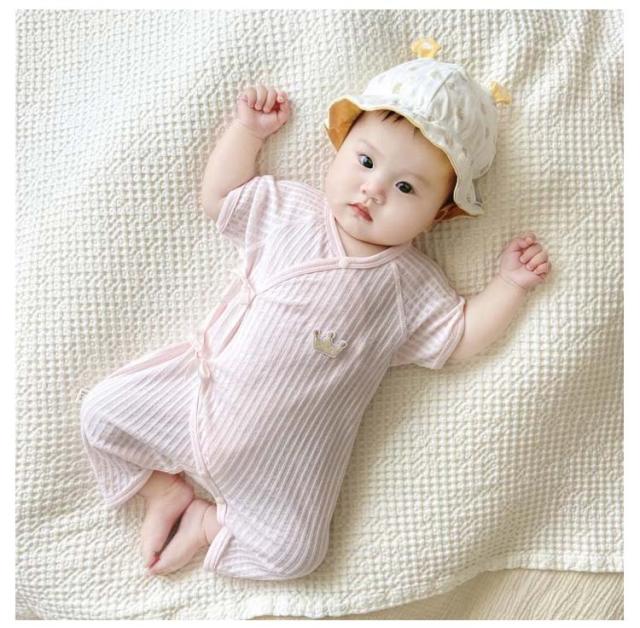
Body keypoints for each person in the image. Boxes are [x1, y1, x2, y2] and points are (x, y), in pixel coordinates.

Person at [80, 38, 551, 579]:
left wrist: (509, 285)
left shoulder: (408, 285)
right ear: (341, 147)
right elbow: (222, 197)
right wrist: (248, 133)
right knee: (100, 412)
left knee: (295, 555)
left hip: (285, 464)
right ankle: (162, 489)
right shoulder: (290, 211)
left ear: (439, 215)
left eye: (404, 187)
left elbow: (461, 336)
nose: (372, 190)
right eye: (365, 161)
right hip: (196, 400)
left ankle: (208, 523)